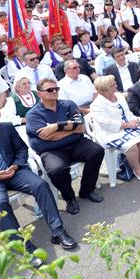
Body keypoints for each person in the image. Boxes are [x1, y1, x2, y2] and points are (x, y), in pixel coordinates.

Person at [0, 100, 78, 259]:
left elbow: (21, 149)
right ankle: (24, 247)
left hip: (14, 172)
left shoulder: (5, 128)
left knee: (40, 185)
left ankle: (58, 231)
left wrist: (16, 165)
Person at [26, 78, 105, 215]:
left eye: (56, 89)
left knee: (97, 151)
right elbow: (46, 137)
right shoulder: (33, 114)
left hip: (76, 144)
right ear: (40, 94)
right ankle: (70, 198)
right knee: (57, 170)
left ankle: (87, 190)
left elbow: (79, 123)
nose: (54, 92)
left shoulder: (68, 104)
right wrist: (72, 130)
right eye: (50, 90)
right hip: (51, 151)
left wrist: (56, 126)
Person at [88, 76, 140, 181]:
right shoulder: (96, 105)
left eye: (115, 83)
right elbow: (107, 123)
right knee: (131, 146)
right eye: (113, 85)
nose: (116, 86)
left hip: (126, 127)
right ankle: (137, 170)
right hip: (110, 133)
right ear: (104, 90)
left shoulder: (118, 95)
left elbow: (128, 112)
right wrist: (128, 125)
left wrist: (133, 120)